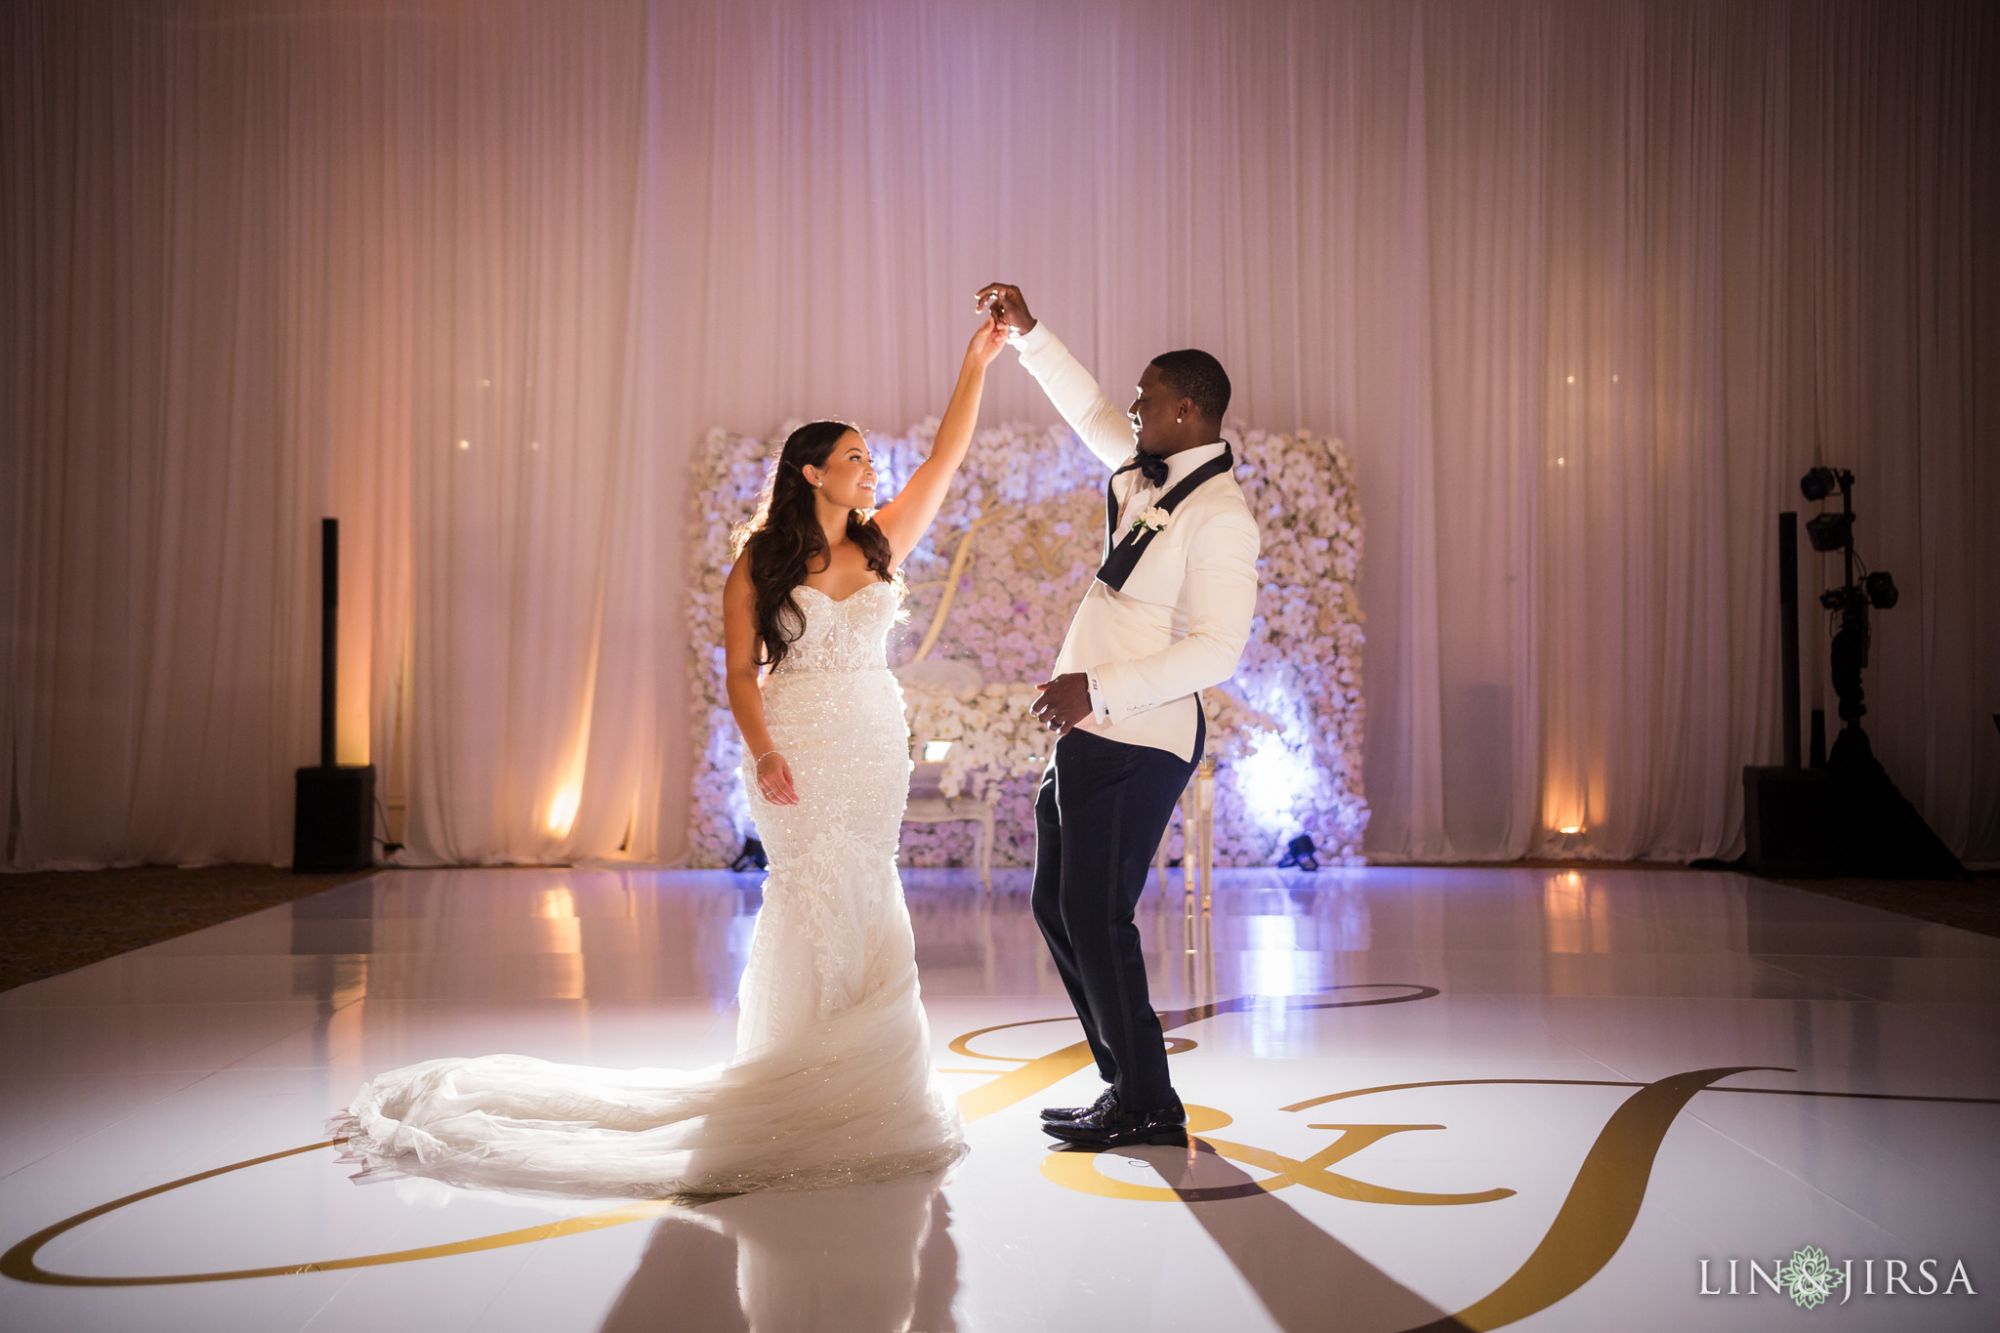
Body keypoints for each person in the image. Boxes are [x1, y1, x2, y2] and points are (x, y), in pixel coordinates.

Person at [328, 314, 1011, 1197]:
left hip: (875, 741)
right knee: (810, 895)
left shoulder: (880, 539)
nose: (867, 467)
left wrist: (976, 365)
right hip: (797, 744)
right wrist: (762, 751)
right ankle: (801, 1070)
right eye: (852, 456)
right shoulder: (758, 564)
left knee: (869, 888)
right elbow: (738, 673)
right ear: (811, 471)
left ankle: (874, 1081)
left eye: (867, 458)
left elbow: (944, 461)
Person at [976, 281, 1262, 1150]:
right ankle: (1129, 1085)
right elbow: (1089, 408)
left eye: (1148, 397)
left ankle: (1145, 1098)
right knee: (1060, 910)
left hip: (1138, 738)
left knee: (1098, 915)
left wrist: (1093, 690)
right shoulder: (1145, 474)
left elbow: (1218, 651)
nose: (1132, 407)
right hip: (1092, 736)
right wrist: (1027, 336)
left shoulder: (1219, 514)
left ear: (1186, 409)